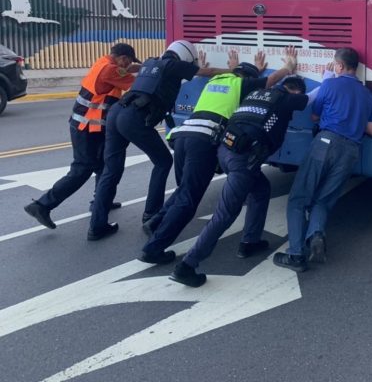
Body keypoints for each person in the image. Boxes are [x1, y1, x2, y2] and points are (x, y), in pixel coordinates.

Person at [139, 47, 298, 265]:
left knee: (187, 188)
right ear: (249, 79)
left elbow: (230, 74)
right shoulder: (242, 84)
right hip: (203, 141)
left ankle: (157, 221)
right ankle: (153, 248)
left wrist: (238, 67)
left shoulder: (219, 80)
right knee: (189, 199)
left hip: (184, 135)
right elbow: (269, 82)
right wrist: (287, 68)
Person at [87, 40, 236, 241]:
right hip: (134, 117)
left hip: (116, 112)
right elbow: (206, 72)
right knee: (163, 161)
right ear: (184, 56)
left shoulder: (151, 62)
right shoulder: (175, 65)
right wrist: (232, 69)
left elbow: (134, 67)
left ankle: (96, 226)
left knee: (111, 170)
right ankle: (151, 213)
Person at [170, 74, 310, 287]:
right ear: (295, 90)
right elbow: (307, 100)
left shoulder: (256, 94)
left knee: (261, 189)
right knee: (225, 214)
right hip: (242, 161)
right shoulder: (287, 98)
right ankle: (187, 265)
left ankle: (250, 242)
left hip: (225, 152)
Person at [273, 47, 372, 273]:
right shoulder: (369, 95)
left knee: (298, 198)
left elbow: (314, 115)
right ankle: (316, 234)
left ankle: (295, 254)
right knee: (324, 199)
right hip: (351, 150)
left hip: (325, 142)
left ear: (339, 66)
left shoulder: (330, 84)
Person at [22, 43, 140, 230]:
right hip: (87, 127)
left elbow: (128, 69)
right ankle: (42, 205)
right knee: (82, 169)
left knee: (104, 164)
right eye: (128, 62)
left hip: (88, 126)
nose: (128, 66)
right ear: (123, 58)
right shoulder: (111, 71)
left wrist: (146, 65)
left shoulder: (103, 62)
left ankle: (101, 201)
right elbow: (137, 85)